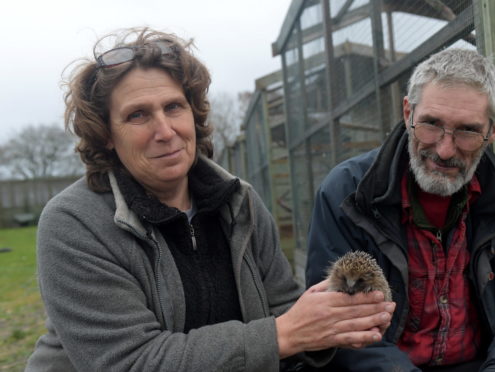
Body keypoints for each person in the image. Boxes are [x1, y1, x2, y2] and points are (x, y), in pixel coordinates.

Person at [26, 27, 395, 372]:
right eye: (138, 115)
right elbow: (132, 361)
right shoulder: (74, 223)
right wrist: (281, 335)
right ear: (106, 133)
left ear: (193, 113)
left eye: (174, 107)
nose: (166, 131)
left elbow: (283, 309)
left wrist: (329, 325)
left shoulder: (241, 202)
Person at [306, 48, 495, 371]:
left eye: (467, 131)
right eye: (430, 124)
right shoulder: (346, 193)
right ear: (407, 113)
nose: (444, 150)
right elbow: (340, 332)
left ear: (494, 129)